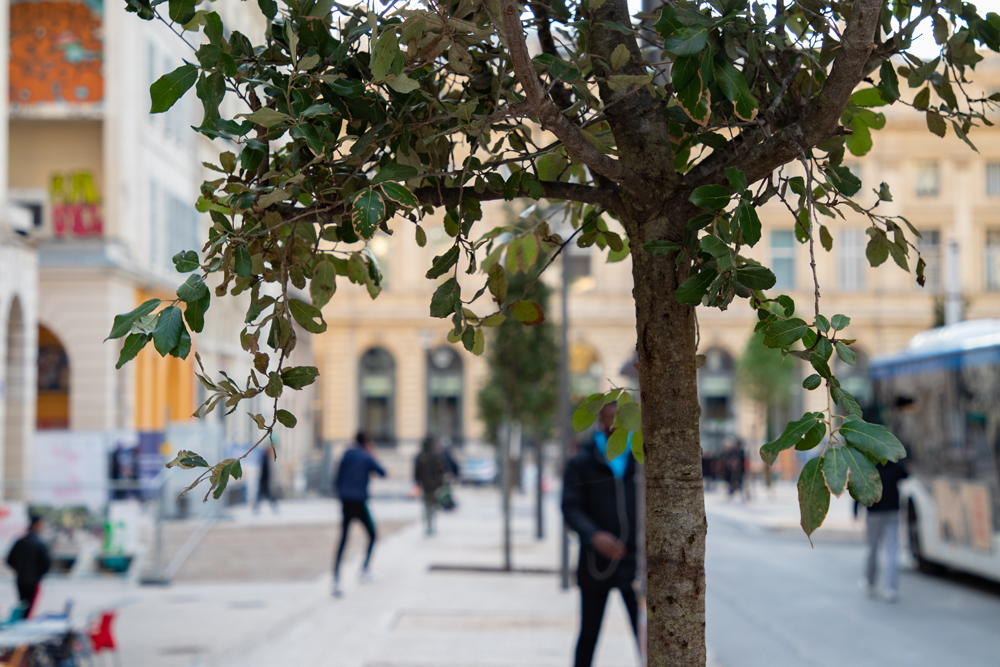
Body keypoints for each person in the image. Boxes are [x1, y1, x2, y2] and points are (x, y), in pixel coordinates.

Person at [562, 403, 639, 667]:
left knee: (647, 636)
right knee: (589, 634)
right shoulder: (582, 460)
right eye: (609, 420)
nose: (614, 426)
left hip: (637, 561)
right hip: (595, 561)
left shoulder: (641, 457)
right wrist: (594, 536)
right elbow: (570, 506)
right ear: (599, 422)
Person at [332, 432, 386, 597]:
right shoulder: (365, 456)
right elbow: (382, 472)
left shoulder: (346, 456)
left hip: (346, 502)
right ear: (367, 443)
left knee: (343, 539)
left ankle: (336, 578)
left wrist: (342, 495)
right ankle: (364, 570)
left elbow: (336, 480)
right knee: (372, 534)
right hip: (360, 502)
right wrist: (372, 455)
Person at [855, 458, 909, 601]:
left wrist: (855, 509)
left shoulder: (869, 467)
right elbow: (906, 474)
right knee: (892, 550)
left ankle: (869, 582)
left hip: (874, 513)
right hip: (892, 512)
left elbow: (859, 487)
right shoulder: (895, 465)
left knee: (872, 549)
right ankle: (890, 588)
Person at [6, 515, 51, 618]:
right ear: (37, 524)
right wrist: (38, 574)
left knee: (22, 605)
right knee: (29, 608)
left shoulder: (20, 541)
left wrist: (19, 570)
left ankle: (22, 622)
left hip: (20, 579)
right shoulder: (39, 543)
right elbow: (46, 563)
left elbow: (9, 560)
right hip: (33, 580)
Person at [414, 437, 448, 535]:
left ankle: (429, 525)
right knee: (431, 506)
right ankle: (430, 525)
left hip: (427, 486)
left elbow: (417, 473)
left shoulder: (422, 457)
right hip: (432, 486)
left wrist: (418, 483)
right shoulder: (435, 456)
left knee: (428, 506)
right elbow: (441, 472)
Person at [254, 444, 279, 514]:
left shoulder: (265, 458)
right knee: (265, 496)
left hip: (264, 481)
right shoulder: (264, 458)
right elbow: (264, 471)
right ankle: (256, 508)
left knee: (264, 496)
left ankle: (256, 508)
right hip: (264, 481)